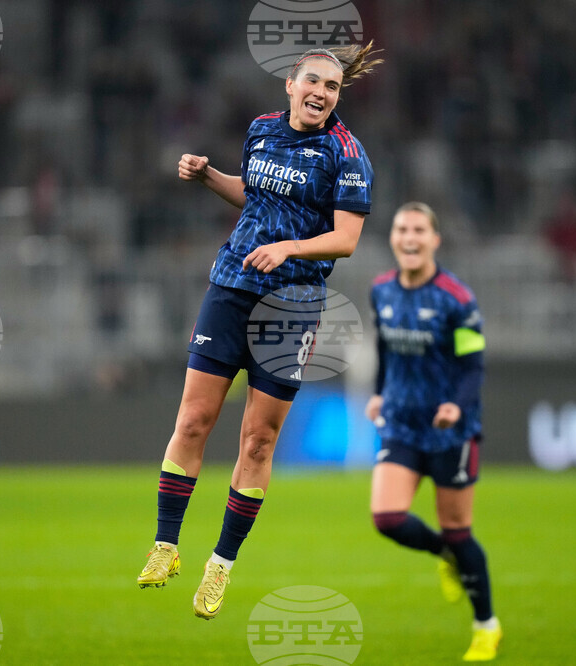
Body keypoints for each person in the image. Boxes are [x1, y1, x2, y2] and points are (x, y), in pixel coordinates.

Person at [137, 43, 382, 620]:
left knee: (258, 441)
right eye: (314, 81)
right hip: (230, 286)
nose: (322, 92)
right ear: (290, 86)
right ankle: (166, 546)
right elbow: (254, 196)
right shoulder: (262, 130)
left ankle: (219, 565)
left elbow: (346, 239)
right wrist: (208, 177)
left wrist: (290, 248)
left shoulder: (347, 154)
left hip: (291, 304)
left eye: (334, 87)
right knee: (193, 420)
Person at [365, 202, 500, 661]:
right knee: (387, 518)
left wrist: (455, 407)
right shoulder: (381, 290)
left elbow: (473, 365)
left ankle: (486, 625)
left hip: (451, 433)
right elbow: (385, 350)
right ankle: (446, 554)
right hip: (401, 423)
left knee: (459, 530)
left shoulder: (457, 300)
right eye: (402, 228)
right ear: (392, 237)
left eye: (419, 230)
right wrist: (380, 392)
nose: (410, 237)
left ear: (434, 239)